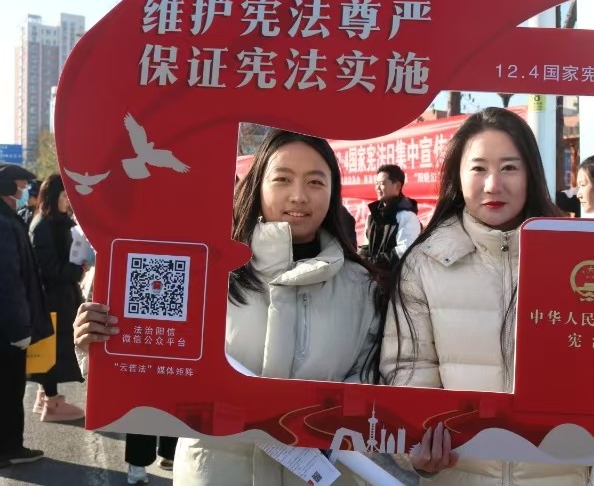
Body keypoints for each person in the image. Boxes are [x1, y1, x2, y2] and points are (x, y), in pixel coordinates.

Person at [378, 107, 594, 485]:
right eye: (478, 168)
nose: (493, 184)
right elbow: (407, 369)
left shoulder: (581, 260)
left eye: (509, 168)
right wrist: (417, 448)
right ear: (457, 175)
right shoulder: (425, 263)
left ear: (531, 173)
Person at [74, 130, 379, 485]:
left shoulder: (363, 286)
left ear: (333, 190)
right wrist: (98, 345)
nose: (298, 195)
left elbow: (370, 381)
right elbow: (149, 366)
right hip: (214, 472)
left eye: (315, 181)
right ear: (258, 184)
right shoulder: (206, 269)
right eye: (282, 179)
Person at [0, 163, 51, 468]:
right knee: (9, 389)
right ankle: (9, 448)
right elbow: (9, 280)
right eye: (21, 186)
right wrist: (20, 328)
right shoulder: (4, 223)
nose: (25, 192)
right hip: (7, 328)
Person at [29, 174, 87, 422]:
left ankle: (46, 395)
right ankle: (51, 402)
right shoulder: (44, 226)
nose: (68, 201)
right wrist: (76, 269)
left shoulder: (56, 222)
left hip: (60, 297)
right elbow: (48, 268)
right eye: (65, 196)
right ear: (54, 197)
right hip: (52, 299)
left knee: (54, 347)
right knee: (52, 349)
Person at [360, 164, 421, 270]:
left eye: (382, 184)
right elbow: (366, 246)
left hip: (397, 278)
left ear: (397, 186)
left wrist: (370, 263)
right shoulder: (372, 216)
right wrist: (360, 259)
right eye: (376, 183)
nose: (377, 188)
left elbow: (403, 253)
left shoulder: (408, 217)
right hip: (371, 276)